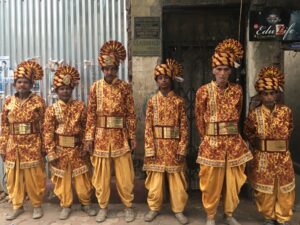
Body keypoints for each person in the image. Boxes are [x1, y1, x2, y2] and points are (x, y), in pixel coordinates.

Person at [195, 39, 253, 225]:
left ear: (231, 71)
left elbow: (239, 114)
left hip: (233, 144)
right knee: (211, 182)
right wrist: (206, 138)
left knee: (232, 182)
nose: (222, 73)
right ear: (213, 70)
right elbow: (198, 117)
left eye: (226, 69)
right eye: (218, 69)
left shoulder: (237, 90)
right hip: (211, 143)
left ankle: (229, 213)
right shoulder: (203, 91)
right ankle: (211, 215)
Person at [85, 40, 137, 223]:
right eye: (106, 68)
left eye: (113, 68)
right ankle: (103, 207)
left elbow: (131, 113)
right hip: (100, 137)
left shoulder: (124, 87)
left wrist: (132, 136)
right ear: (102, 68)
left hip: (120, 137)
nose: (109, 72)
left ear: (117, 68)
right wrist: (89, 137)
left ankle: (128, 206)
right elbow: (91, 114)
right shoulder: (95, 87)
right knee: (101, 176)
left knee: (125, 176)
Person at [44, 65, 97, 220]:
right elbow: (48, 132)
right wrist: (51, 152)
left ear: (72, 89)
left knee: (82, 180)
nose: (65, 91)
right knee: (63, 182)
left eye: (68, 88)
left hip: (77, 149)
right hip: (60, 150)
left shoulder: (80, 106)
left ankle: (85, 203)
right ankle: (66, 205)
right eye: (62, 89)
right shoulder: (51, 109)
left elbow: (87, 126)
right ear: (56, 91)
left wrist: (86, 146)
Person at [244, 66, 295, 225]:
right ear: (260, 95)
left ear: (277, 94)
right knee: (264, 191)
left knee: (284, 189)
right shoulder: (254, 113)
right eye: (265, 94)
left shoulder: (286, 111)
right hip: (263, 157)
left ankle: (283, 217)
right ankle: (268, 217)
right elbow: (248, 132)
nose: (269, 97)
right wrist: (259, 145)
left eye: (272, 93)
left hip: (283, 157)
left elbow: (290, 128)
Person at [143, 59, 189, 225]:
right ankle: (154, 208)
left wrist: (182, 148)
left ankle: (178, 210)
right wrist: (149, 147)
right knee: (155, 182)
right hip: (156, 145)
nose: (163, 80)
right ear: (156, 81)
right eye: (160, 78)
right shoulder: (151, 102)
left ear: (171, 80)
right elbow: (148, 126)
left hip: (173, 146)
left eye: (166, 77)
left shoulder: (178, 102)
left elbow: (184, 127)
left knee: (177, 180)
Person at [0, 60, 46, 220]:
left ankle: (36, 205)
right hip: (13, 146)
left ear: (31, 84)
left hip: (32, 144)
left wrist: (44, 145)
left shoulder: (38, 101)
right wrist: (2, 146)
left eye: (26, 82)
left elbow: (45, 125)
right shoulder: (8, 102)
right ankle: (17, 205)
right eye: (19, 82)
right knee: (14, 178)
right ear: (14, 84)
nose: (22, 85)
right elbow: (4, 125)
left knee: (34, 177)